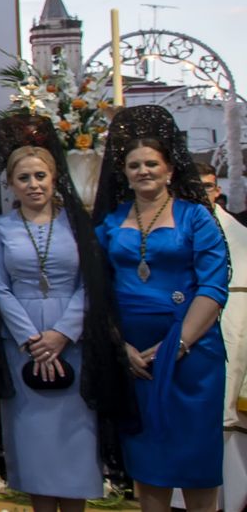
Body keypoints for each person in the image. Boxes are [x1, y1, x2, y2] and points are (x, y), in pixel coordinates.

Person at [0, 114, 136, 512]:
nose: (33, 185)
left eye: (40, 176)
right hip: (23, 344)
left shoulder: (78, 226)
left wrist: (62, 334)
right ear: (11, 184)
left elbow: (92, 283)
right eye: (24, 178)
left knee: (75, 446)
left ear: (54, 178)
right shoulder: (0, 229)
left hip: (74, 340)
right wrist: (32, 339)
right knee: (34, 448)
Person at [92, 106, 228, 512]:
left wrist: (178, 345)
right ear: (125, 173)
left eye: (152, 163)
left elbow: (213, 287)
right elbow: (99, 292)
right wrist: (120, 346)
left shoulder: (197, 218)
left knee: (197, 467)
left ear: (170, 170)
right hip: (136, 362)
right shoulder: (111, 223)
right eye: (135, 165)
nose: (143, 170)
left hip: (192, 358)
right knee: (149, 472)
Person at [194, 160, 247, 510]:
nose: (204, 195)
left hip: (233, 343)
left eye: (209, 187)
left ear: (218, 190)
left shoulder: (241, 237)